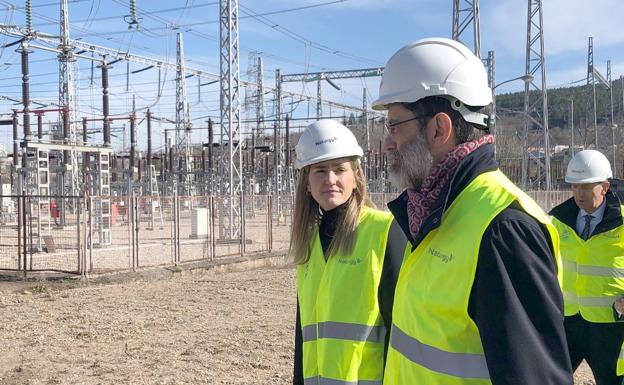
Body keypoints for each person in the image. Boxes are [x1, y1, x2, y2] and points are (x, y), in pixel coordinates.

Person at [372, 37, 573, 384]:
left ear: (439, 128)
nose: (387, 143)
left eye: (394, 125)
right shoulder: (432, 211)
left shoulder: (503, 230)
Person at [291, 119, 408, 385]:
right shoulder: (308, 245)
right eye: (320, 171)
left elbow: (401, 332)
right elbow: (303, 337)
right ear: (307, 183)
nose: (330, 180)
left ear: (356, 177)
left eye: (339, 169)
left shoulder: (384, 231)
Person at [549, 149, 624, 385]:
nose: (578, 193)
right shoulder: (556, 220)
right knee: (546, 378)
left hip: (610, 327)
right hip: (567, 322)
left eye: (586, 186)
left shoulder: (622, 222)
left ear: (604, 186)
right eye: (574, 186)